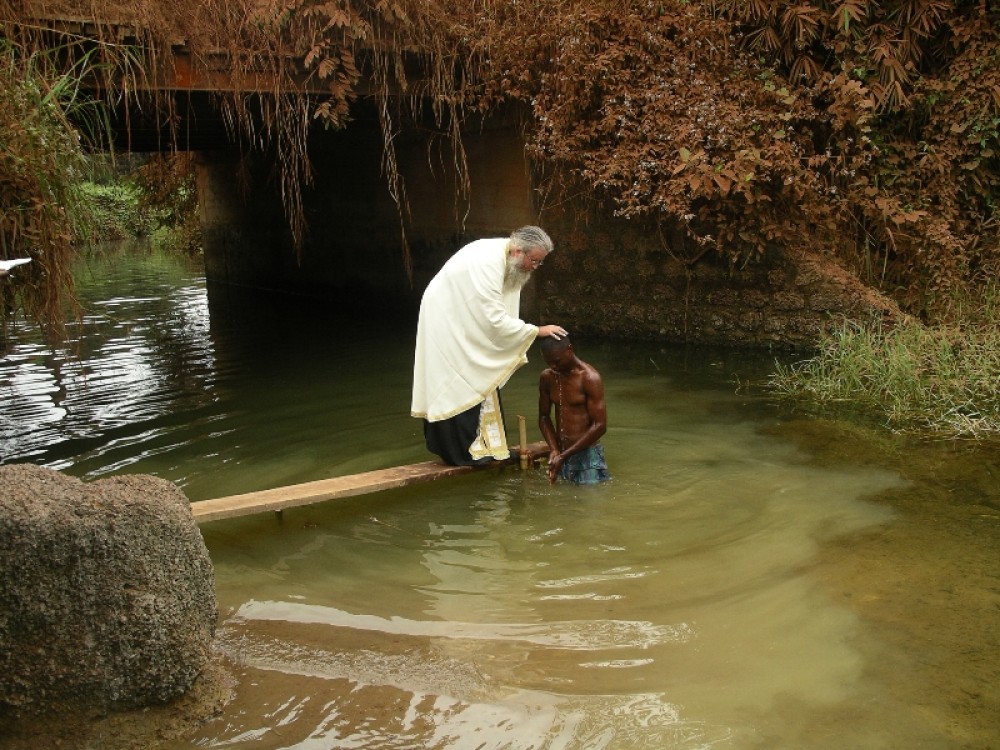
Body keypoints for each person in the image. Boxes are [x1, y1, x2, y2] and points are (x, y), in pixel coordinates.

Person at [411, 226, 568, 465]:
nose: (536, 267)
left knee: (482, 372)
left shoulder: (509, 260)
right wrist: (536, 331)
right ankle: (461, 452)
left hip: (464, 315)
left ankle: (488, 446)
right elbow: (493, 319)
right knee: (458, 375)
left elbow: (498, 312)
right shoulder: (488, 262)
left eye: (540, 262)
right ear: (518, 251)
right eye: (534, 260)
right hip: (447, 317)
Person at [538, 334, 610, 485]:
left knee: (590, 498)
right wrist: (554, 450)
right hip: (561, 453)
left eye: (557, 361)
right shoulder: (547, 377)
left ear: (569, 350)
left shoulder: (589, 378)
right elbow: (544, 417)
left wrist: (564, 456)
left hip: (587, 455)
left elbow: (600, 426)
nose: (553, 367)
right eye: (549, 362)